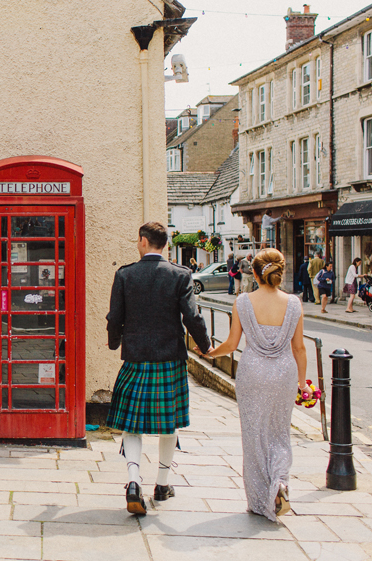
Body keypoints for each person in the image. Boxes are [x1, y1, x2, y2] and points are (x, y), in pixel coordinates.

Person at [106, 222, 211, 516]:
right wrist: (205, 346)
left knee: (132, 425)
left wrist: (114, 343)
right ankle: (162, 485)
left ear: (143, 241)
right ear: (164, 245)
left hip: (137, 358)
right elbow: (193, 317)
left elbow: (115, 317)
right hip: (169, 358)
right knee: (170, 424)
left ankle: (132, 482)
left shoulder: (125, 274)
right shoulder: (180, 275)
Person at [200, 248, 308, 521]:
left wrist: (210, 352)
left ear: (255, 273)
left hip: (253, 373)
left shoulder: (243, 302)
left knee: (254, 435)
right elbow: (299, 349)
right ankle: (281, 481)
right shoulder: (294, 304)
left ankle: (261, 500)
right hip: (284, 373)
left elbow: (232, 344)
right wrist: (302, 383)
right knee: (279, 432)